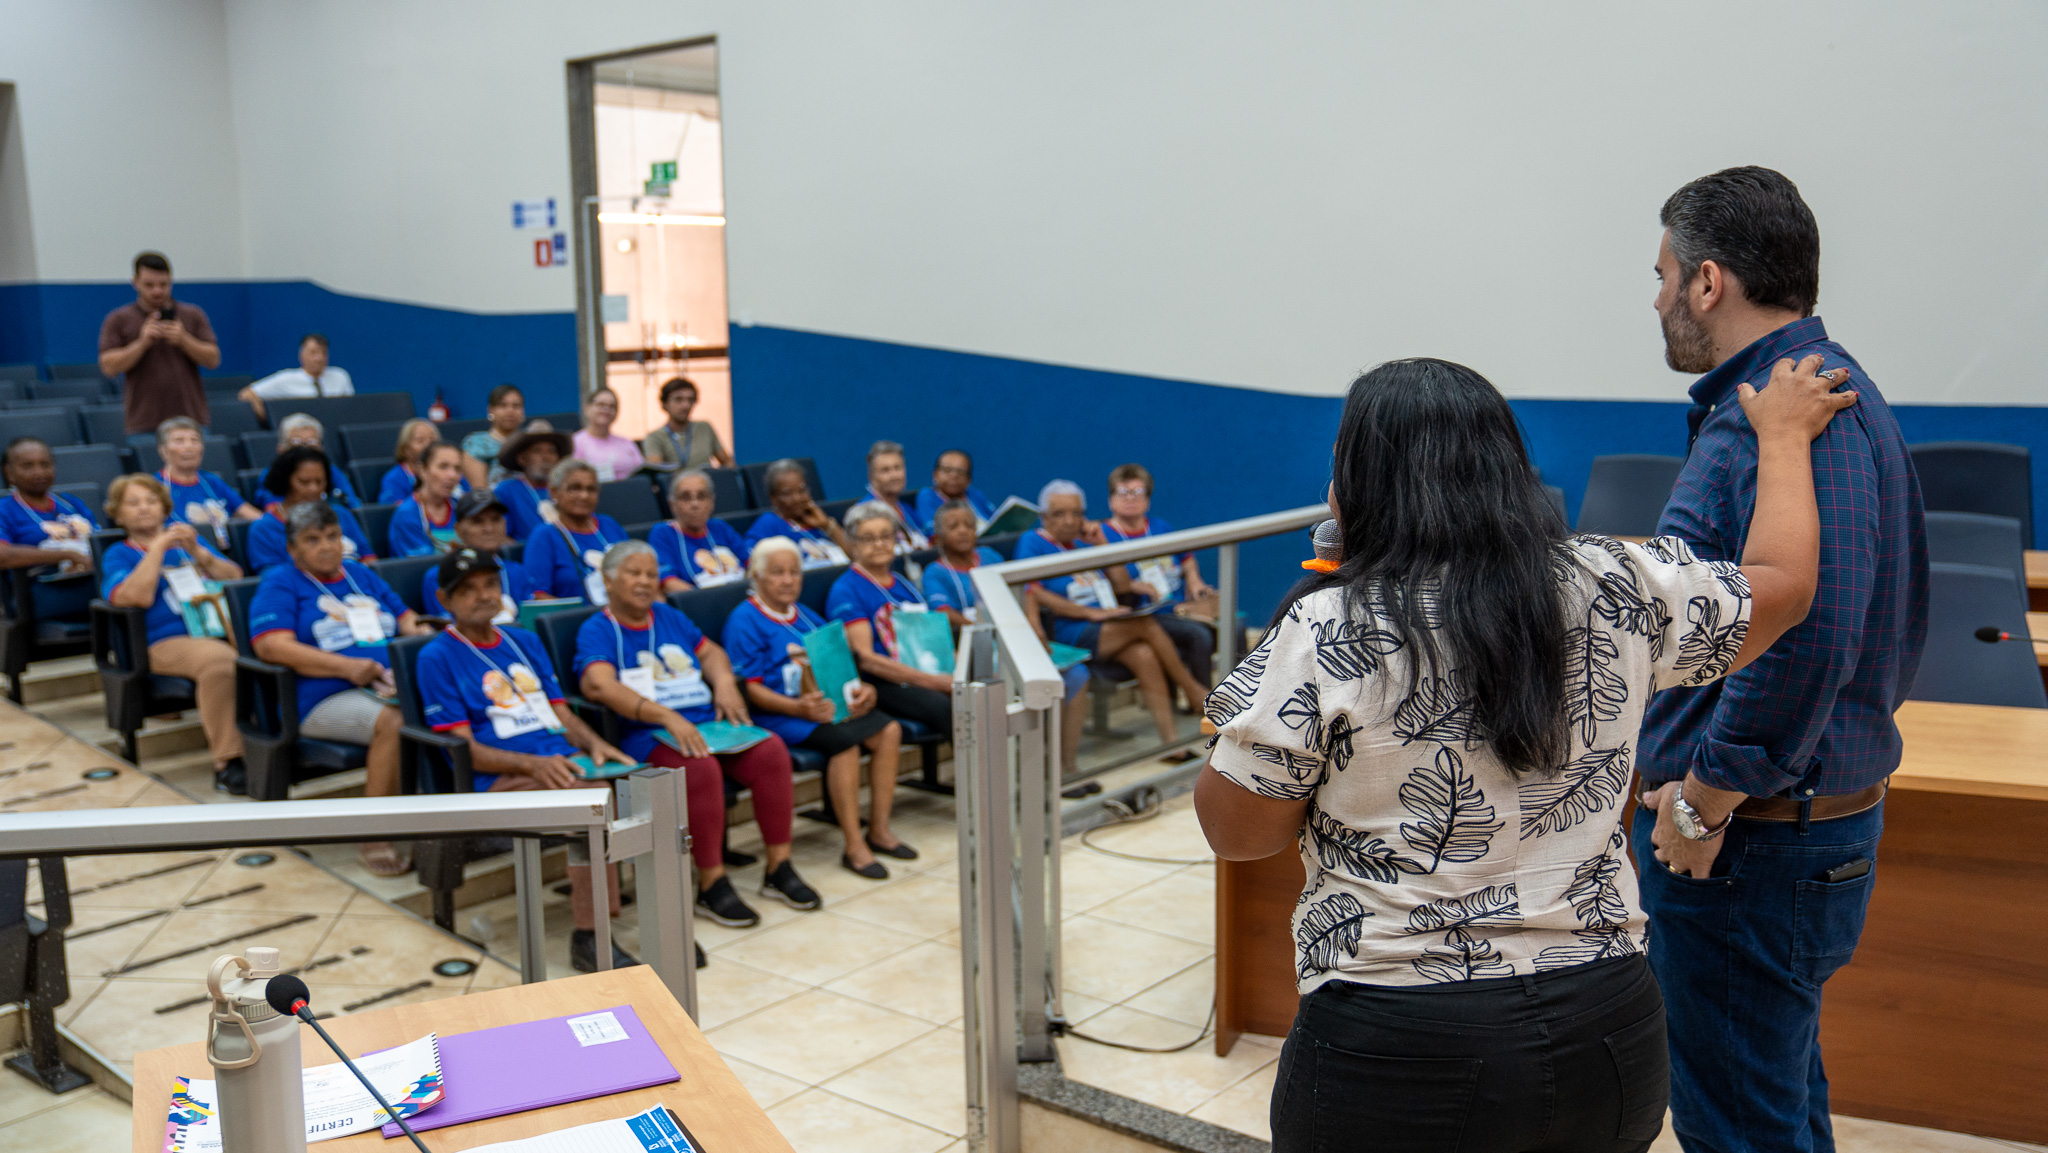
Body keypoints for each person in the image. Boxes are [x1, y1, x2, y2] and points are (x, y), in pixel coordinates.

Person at [1193, 355, 1853, 1153]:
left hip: (1401, 1040)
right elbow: (1784, 583)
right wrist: (1782, 438)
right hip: (1607, 1026)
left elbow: (1239, 832)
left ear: (1355, 485)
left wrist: (1265, 689)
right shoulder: (1618, 581)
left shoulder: (1329, 626)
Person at [1635, 167, 1929, 1153]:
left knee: (1738, 1128)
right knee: (1774, 1106)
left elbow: (1803, 637)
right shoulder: (1788, 407)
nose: (1657, 299)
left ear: (1706, 281)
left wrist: (1702, 801)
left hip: (1746, 843)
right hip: (1766, 836)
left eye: (1662, 275)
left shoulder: (1797, 417)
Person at [574, 540, 821, 927]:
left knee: (771, 750)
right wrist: (666, 716)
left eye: (651, 574)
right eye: (634, 573)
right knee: (700, 766)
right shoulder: (598, 629)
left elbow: (712, 653)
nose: (645, 582)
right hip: (650, 734)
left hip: (706, 723)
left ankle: (779, 867)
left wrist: (724, 683)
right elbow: (598, 684)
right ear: (608, 581)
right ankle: (711, 883)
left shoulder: (667, 616)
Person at [418, 548, 638, 973]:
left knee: (640, 781)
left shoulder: (524, 640)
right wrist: (532, 765)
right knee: (591, 804)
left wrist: (596, 746)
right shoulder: (437, 657)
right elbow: (466, 751)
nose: (483, 595)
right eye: (468, 590)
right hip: (498, 778)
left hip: (559, 764)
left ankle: (636, 910)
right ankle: (590, 937)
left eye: (490, 584)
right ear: (444, 600)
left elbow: (560, 713)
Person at [250, 502, 428, 875]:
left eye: (332, 536)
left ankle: (445, 824)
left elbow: (405, 618)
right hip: (321, 697)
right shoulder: (281, 581)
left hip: (388, 684)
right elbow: (271, 646)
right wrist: (347, 668)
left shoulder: (359, 574)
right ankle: (374, 837)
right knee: (395, 722)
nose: (326, 546)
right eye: (312, 540)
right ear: (292, 548)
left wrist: (424, 634)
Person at [724, 537, 908, 879]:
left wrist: (863, 689)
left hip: (823, 707)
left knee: (889, 730)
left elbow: (839, 666)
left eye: (794, 572)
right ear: (757, 577)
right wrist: (798, 709)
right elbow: (750, 689)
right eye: (777, 573)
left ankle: (879, 830)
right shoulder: (744, 620)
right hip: (779, 714)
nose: (788, 580)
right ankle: (854, 846)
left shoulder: (807, 616)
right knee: (845, 744)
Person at [1018, 480, 1209, 750]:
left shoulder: (1083, 543)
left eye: (1076, 513)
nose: (1069, 521)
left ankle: (1171, 743)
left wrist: (1101, 544)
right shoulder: (1033, 542)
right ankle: (1193, 690)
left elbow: (1120, 585)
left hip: (1106, 624)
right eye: (1059, 514)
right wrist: (1089, 612)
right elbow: (1032, 591)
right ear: (1044, 516)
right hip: (1068, 629)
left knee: (1144, 654)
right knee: (1144, 624)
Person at [923, 498, 1092, 771]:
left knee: (1077, 674)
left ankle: (1065, 764)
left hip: (1014, 638)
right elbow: (943, 614)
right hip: (978, 648)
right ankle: (1029, 769)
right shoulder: (935, 572)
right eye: (954, 526)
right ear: (939, 536)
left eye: (968, 525)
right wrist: (985, 626)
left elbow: (1024, 590)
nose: (963, 531)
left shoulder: (990, 557)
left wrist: (1033, 623)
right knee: (1020, 685)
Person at [101, 474, 245, 792]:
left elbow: (234, 576)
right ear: (118, 514)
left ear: (165, 508)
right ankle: (228, 761)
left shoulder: (189, 545)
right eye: (133, 503)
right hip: (162, 642)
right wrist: (157, 548)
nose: (144, 508)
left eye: (151, 501)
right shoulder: (118, 554)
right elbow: (135, 597)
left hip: (214, 630)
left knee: (264, 649)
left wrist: (199, 552)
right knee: (220, 661)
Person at [829, 502, 949, 764]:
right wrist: (936, 682)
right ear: (852, 543)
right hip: (883, 682)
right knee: (949, 706)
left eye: (886, 536)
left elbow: (933, 636)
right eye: (868, 538)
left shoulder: (904, 583)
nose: (879, 544)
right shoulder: (847, 589)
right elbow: (866, 659)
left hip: (921, 669)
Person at [1101, 463, 1220, 695]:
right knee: (1199, 635)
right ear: (1110, 499)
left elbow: (1186, 558)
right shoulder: (1102, 535)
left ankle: (1239, 699)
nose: (1130, 498)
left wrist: (1194, 580)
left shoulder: (1160, 527)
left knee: (1235, 626)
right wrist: (1131, 585)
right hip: (1146, 613)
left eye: (1138, 492)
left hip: (1178, 606)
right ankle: (1205, 705)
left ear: (1148, 499)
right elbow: (1100, 579)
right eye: (1123, 492)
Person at [98, 252, 220, 434]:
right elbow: (108, 367)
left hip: (191, 420)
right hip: (143, 422)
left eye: (163, 284)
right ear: (135, 282)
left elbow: (213, 359)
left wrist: (184, 340)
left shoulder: (193, 315)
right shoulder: (118, 319)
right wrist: (142, 343)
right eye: (149, 285)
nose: (157, 291)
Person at [246, 446, 376, 572]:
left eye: (319, 482)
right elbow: (272, 578)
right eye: (304, 482)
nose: (314, 489)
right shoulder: (263, 529)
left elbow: (368, 559)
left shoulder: (341, 514)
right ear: (284, 481)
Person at [419, 490, 545, 618]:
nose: (489, 529)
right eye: (478, 521)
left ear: (504, 525)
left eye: (495, 519)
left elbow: (530, 621)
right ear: (458, 530)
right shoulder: (439, 577)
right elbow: (449, 626)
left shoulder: (517, 572)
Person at [524, 459, 635, 601]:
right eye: (574, 488)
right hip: (577, 614)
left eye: (591, 489)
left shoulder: (609, 524)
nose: (584, 496)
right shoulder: (544, 535)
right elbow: (539, 596)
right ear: (554, 492)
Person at [154, 417, 260, 550]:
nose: (189, 447)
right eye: (179, 441)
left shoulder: (211, 481)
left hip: (226, 551)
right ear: (163, 451)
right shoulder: (155, 487)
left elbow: (250, 514)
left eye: (195, 440)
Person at [0, 437, 98, 571]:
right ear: (9, 472)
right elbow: (3, 555)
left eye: (45, 465)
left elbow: (99, 541)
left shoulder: (71, 503)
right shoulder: (4, 509)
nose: (39, 472)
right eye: (27, 466)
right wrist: (68, 556)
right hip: (41, 581)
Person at [650, 469, 749, 593]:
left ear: (711, 502)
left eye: (701, 496)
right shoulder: (663, 533)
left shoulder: (720, 527)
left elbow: (752, 565)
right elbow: (669, 584)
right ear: (672, 504)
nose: (695, 504)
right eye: (686, 497)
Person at [742, 459, 849, 568]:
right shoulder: (769, 523)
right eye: (787, 493)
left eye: (802, 490)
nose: (797, 498)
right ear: (773, 498)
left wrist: (827, 525)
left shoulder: (819, 519)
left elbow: (855, 556)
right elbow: (750, 561)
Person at [238, 333, 354, 421]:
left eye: (323, 353)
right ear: (301, 355)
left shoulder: (340, 376)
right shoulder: (286, 378)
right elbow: (247, 394)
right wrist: (268, 418)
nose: (319, 358)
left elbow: (351, 407)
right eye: (313, 353)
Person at [261, 414, 363, 509]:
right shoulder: (270, 474)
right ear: (281, 450)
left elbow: (353, 503)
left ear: (321, 449)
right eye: (297, 443)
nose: (306, 450)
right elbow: (271, 505)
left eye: (312, 444)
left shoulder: (332, 471)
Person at [491, 427, 572, 542]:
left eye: (552, 451)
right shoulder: (506, 491)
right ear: (522, 459)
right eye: (537, 451)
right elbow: (499, 537)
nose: (546, 457)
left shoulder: (569, 490)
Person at [388, 443, 466, 556]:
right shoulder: (406, 514)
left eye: (457, 469)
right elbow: (420, 563)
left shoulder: (463, 509)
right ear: (422, 470)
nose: (452, 475)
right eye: (443, 466)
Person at [639, 377, 732, 469]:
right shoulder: (655, 437)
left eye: (690, 400)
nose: (685, 405)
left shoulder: (704, 428)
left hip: (704, 478)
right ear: (665, 404)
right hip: (676, 479)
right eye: (678, 399)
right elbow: (656, 468)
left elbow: (727, 462)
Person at [861, 441, 929, 552]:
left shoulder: (907, 509)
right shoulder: (865, 513)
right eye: (885, 470)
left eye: (898, 468)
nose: (894, 476)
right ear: (871, 477)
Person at [382, 418, 468, 505]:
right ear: (405, 448)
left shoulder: (453, 473)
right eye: (420, 440)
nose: (428, 445)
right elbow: (393, 508)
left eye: (432, 440)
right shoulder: (393, 479)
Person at [461, 384, 527, 489]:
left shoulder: (530, 442)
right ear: (490, 410)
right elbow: (479, 491)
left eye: (516, 406)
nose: (510, 411)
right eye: (502, 405)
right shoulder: (476, 443)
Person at [571, 387, 645, 482]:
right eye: (600, 405)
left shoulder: (626, 442)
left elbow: (641, 470)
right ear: (587, 408)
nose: (606, 409)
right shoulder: (576, 442)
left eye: (612, 406)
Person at [914, 449, 995, 534]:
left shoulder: (974, 494)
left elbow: (993, 520)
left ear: (969, 479)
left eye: (960, 472)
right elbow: (934, 532)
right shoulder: (927, 496)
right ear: (935, 475)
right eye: (947, 470)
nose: (954, 476)